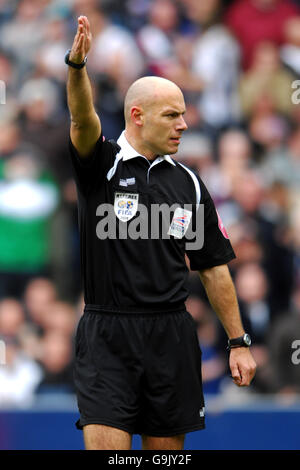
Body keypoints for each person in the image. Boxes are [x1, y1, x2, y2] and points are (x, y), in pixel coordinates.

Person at [66, 15, 256, 451]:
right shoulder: (101, 165)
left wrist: (238, 342)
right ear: (137, 116)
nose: (183, 125)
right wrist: (76, 68)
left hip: (170, 336)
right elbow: (81, 119)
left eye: (184, 115)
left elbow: (212, 267)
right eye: (172, 115)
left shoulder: (188, 182)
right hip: (107, 335)